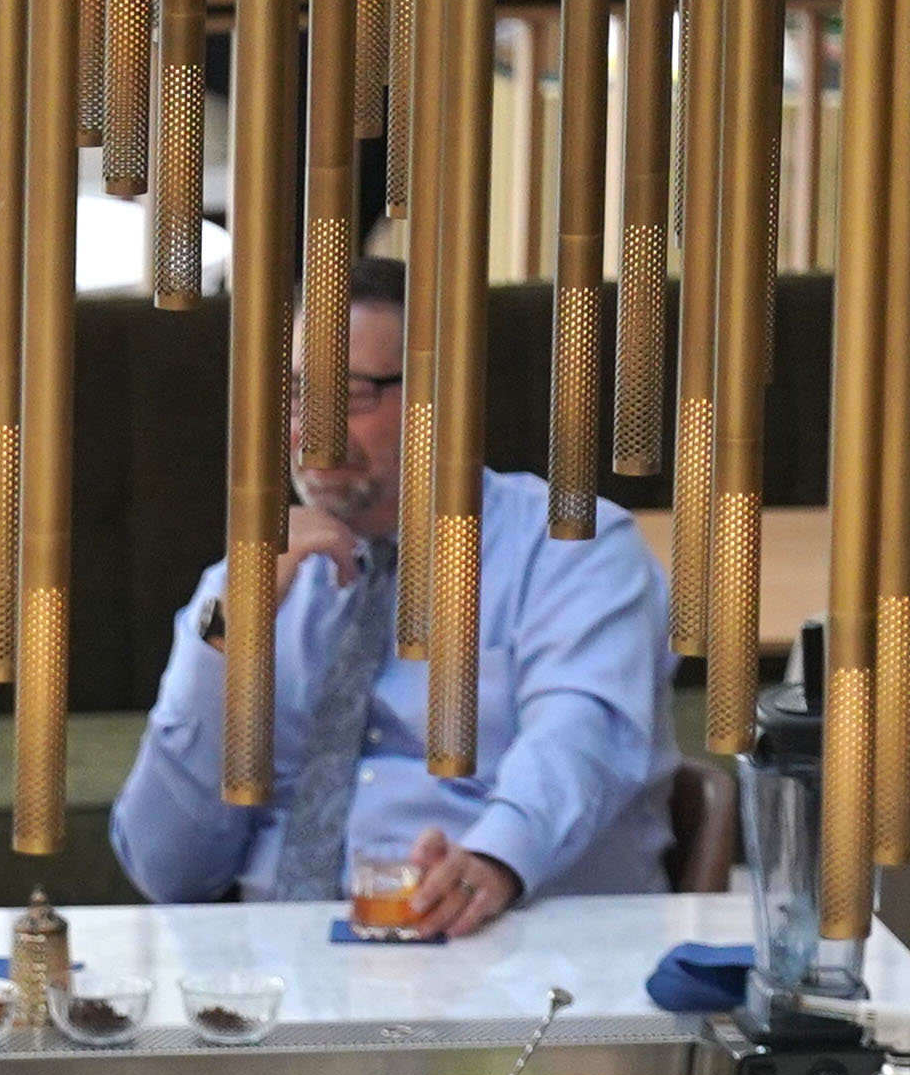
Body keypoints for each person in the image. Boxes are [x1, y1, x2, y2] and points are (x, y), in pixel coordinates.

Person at [108, 258, 678, 936]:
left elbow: (580, 739)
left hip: (502, 950)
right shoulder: (250, 579)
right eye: (294, 396)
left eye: (348, 396)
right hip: (274, 980)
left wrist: (496, 858)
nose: (309, 433)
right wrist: (230, 626)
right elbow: (162, 866)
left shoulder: (569, 545)